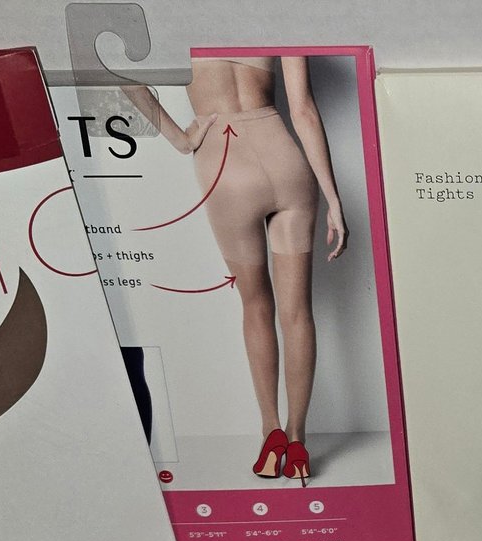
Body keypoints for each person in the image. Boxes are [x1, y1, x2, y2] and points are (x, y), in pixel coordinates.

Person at [124, 55, 348, 484]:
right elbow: (302, 110)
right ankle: (298, 442)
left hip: (225, 169)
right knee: (297, 313)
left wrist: (181, 139)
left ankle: (271, 434)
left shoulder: (177, 26)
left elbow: (122, 74)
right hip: (287, 163)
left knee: (256, 307)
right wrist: (333, 199)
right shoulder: (272, 22)